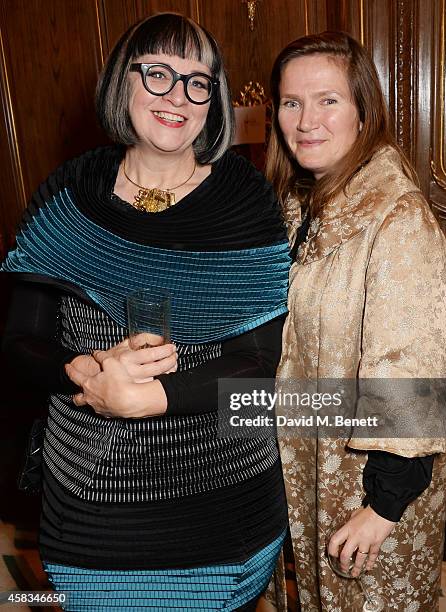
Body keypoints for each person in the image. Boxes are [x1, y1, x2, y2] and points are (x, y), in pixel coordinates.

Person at [2, 13, 291, 611]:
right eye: (157, 73)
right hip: (89, 506)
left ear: (214, 99)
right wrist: (83, 369)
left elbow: (260, 366)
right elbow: (18, 343)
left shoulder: (246, 200)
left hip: (219, 508)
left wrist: (150, 399)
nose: (177, 97)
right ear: (122, 83)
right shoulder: (70, 191)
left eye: (198, 81)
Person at [265, 32, 446, 611]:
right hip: (306, 462)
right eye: (292, 102)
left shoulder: (395, 218)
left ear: (364, 110)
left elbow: (412, 368)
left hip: (367, 491)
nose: (306, 120)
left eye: (328, 100)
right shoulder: (300, 204)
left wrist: (384, 507)